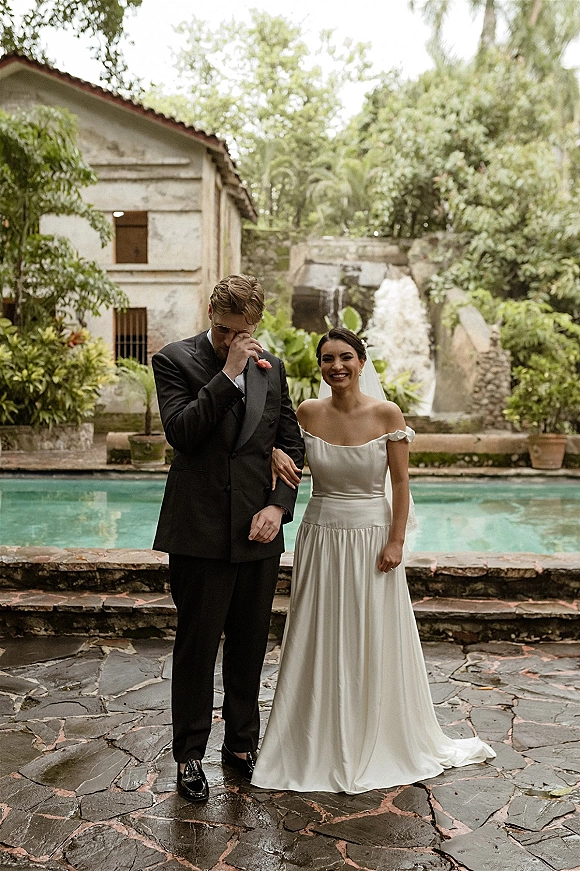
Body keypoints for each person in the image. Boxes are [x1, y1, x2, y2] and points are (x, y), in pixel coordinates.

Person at [252, 327, 494, 794]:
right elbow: (281, 458)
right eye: (327, 359)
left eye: (345, 357)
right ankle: (310, 741)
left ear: (362, 363)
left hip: (372, 539)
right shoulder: (305, 413)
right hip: (321, 536)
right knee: (318, 634)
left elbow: (401, 484)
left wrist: (396, 541)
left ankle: (377, 735)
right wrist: (275, 452)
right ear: (319, 366)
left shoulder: (387, 414)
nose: (336, 366)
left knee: (371, 632)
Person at [152, 274, 304, 802]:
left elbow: (290, 445)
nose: (229, 340)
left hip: (257, 531)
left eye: (240, 332)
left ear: (255, 325)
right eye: (222, 330)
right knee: (197, 647)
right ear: (211, 315)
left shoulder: (275, 369)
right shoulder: (175, 360)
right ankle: (189, 754)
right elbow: (183, 434)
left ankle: (241, 746)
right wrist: (229, 371)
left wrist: (277, 507)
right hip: (198, 531)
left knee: (248, 646)